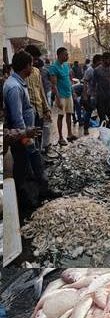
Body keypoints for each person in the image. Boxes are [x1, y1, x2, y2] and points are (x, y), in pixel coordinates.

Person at [4, 51, 48, 219]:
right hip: (22, 136)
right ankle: (22, 205)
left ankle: (35, 194)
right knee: (22, 169)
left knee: (30, 165)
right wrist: (26, 139)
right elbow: (17, 118)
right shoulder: (14, 87)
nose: (33, 67)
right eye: (31, 64)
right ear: (26, 66)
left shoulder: (17, 82)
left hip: (26, 133)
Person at [22, 46, 51, 156]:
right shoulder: (22, 73)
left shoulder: (37, 71)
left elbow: (41, 90)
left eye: (36, 60)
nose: (35, 62)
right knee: (28, 141)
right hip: (28, 113)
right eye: (33, 59)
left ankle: (38, 159)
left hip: (39, 111)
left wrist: (46, 108)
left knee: (38, 137)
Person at [49, 47, 77, 145]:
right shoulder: (53, 67)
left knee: (69, 114)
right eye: (65, 54)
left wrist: (72, 92)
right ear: (59, 55)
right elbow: (54, 85)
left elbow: (69, 80)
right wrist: (58, 99)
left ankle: (69, 134)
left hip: (68, 94)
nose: (67, 56)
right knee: (61, 116)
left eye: (67, 54)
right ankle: (60, 137)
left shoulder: (66, 65)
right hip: (61, 96)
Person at [81, 54, 100, 135]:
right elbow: (85, 82)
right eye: (99, 62)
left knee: (101, 111)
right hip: (90, 95)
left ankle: (102, 129)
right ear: (96, 62)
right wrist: (85, 95)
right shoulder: (90, 70)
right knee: (88, 112)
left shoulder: (99, 69)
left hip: (98, 95)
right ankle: (86, 128)